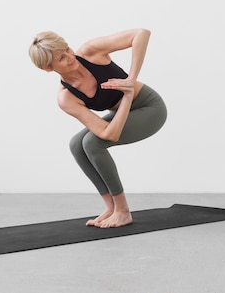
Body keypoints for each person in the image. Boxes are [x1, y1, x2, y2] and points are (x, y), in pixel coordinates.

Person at [28, 28, 167, 228]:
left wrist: (131, 81)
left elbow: (142, 34)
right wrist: (126, 97)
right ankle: (111, 207)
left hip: (150, 108)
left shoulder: (90, 52)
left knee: (92, 143)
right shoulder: (67, 97)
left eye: (67, 48)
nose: (70, 56)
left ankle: (123, 211)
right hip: (124, 112)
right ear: (48, 68)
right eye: (61, 58)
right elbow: (109, 133)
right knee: (77, 144)